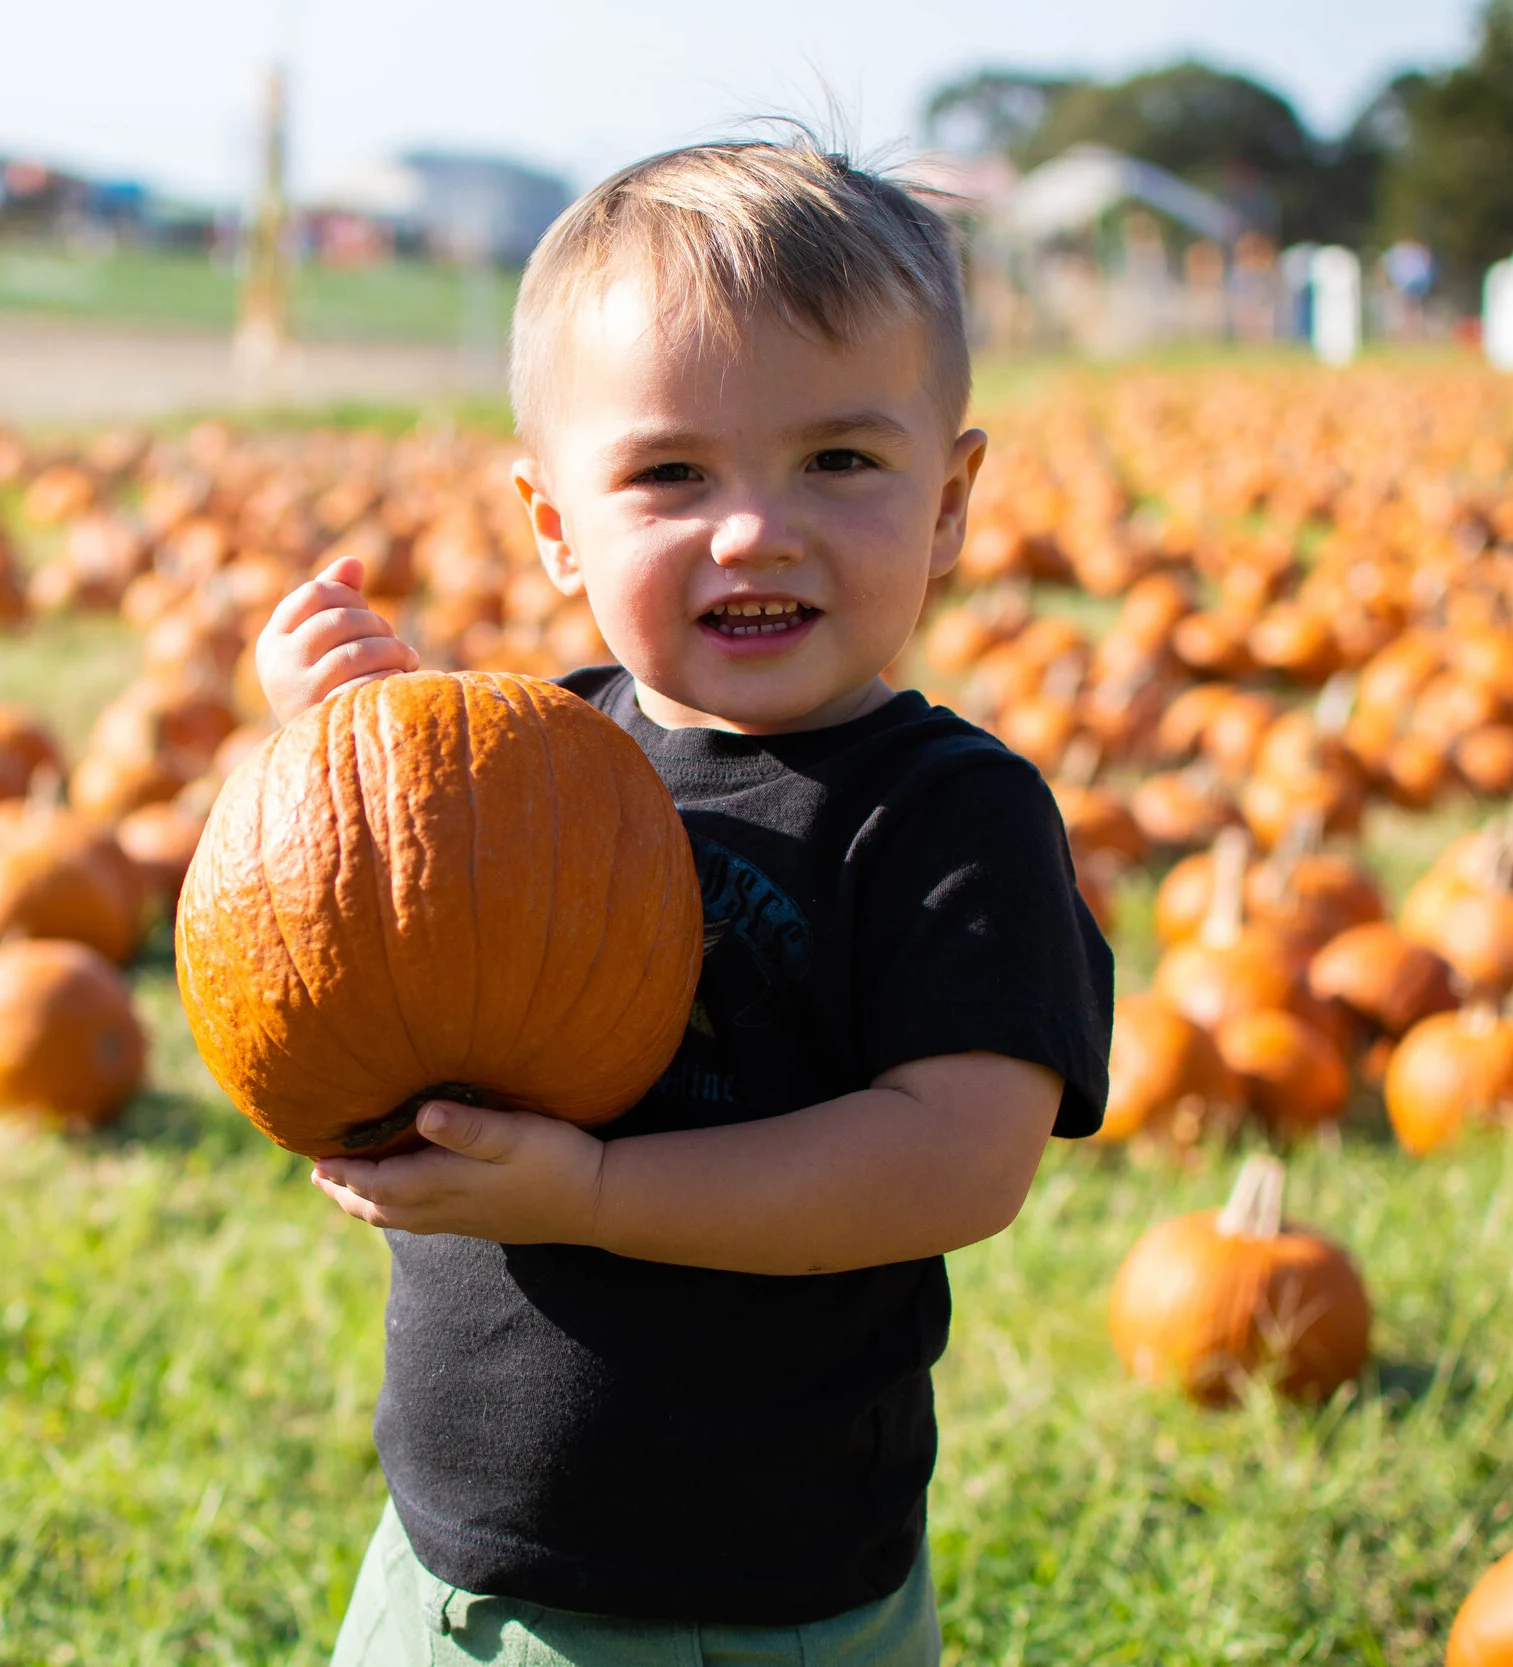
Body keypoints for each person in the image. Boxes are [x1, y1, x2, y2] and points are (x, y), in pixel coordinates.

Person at [252, 134, 1113, 1667]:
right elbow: (346, 920)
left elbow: (959, 1160)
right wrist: (330, 742)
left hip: (761, 1604)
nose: (755, 528)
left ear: (948, 500)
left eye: (838, 461)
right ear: (555, 526)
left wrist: (593, 1193)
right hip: (451, 1565)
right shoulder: (536, 759)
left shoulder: (949, 815)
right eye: (670, 473)